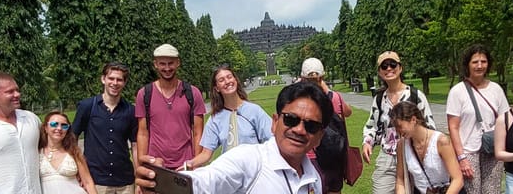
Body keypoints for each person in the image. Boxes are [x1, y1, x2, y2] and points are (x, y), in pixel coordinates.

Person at [135, 80, 332, 193]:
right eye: (290, 119)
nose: (299, 129)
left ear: (319, 136)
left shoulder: (313, 178)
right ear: (274, 122)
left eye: (311, 125)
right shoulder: (250, 159)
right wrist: (164, 183)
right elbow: (208, 180)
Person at [363, 51, 436, 194]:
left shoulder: (415, 96)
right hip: (388, 156)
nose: (389, 68)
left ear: (400, 68)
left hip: (413, 154)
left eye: (392, 64)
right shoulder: (379, 99)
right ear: (379, 72)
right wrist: (367, 142)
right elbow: (373, 125)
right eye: (384, 66)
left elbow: (430, 126)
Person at [184, 64, 272, 169]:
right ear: (217, 88)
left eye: (229, 77)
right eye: (221, 80)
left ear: (235, 80)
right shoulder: (215, 119)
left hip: (255, 171)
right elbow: (206, 154)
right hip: (230, 174)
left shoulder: (254, 111)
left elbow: (272, 140)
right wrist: (189, 164)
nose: (227, 82)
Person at [446, 44, 508, 194]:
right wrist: (461, 158)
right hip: (468, 150)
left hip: (492, 148)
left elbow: (505, 119)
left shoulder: (496, 89)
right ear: (468, 64)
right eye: (475, 62)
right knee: (472, 190)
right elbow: (453, 127)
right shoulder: (457, 91)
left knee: (491, 190)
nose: (479, 66)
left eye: (483, 61)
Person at [135, 43, 206, 170]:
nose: (167, 68)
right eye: (162, 64)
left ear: (178, 63)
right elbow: (142, 133)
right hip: (156, 165)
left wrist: (195, 164)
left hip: (185, 165)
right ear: (155, 64)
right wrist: (142, 168)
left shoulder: (192, 93)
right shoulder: (145, 94)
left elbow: (198, 133)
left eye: (170, 63)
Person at [72, 62, 138, 194]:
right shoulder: (87, 106)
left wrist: (139, 177)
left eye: (119, 79)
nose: (115, 83)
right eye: (111, 78)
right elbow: (71, 139)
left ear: (124, 83)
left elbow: (135, 146)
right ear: (103, 79)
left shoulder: (131, 111)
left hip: (125, 182)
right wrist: (79, 168)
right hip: (96, 181)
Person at [301, 57, 352, 194]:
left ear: (302, 78)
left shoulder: (302, 100)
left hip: (311, 155)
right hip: (334, 153)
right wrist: (328, 90)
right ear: (322, 77)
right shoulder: (334, 97)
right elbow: (348, 112)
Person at [393, 101, 463, 194]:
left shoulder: (441, 141)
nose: (398, 131)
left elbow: (458, 179)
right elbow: (400, 180)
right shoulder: (402, 145)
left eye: (399, 126)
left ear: (413, 120)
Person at [39, 111, 98, 194]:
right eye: (54, 124)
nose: (59, 128)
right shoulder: (36, 153)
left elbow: (88, 182)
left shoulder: (74, 152)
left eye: (64, 126)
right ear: (45, 128)